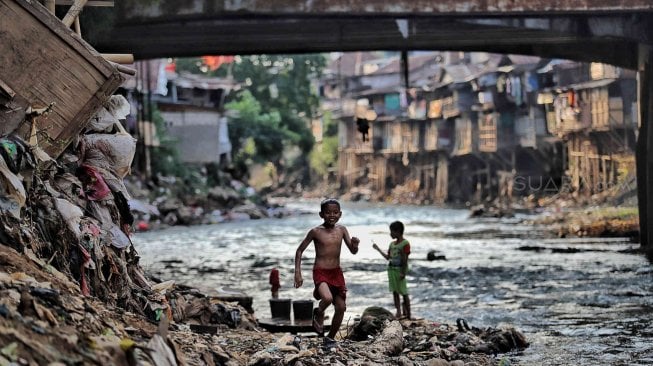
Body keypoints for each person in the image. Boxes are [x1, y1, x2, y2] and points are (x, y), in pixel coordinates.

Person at [294, 198, 359, 346]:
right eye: (328, 212)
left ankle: (330, 337)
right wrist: (298, 273)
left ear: (340, 214)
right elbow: (299, 251)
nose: (332, 215)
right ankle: (319, 312)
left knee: (341, 307)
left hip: (336, 273)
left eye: (335, 212)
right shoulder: (315, 232)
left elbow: (353, 251)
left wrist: (355, 245)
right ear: (321, 214)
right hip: (320, 272)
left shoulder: (342, 230)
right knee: (328, 298)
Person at [372, 220, 411, 320]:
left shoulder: (405, 244)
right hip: (391, 270)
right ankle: (398, 312)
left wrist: (403, 272)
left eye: (392, 231)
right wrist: (378, 249)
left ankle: (409, 314)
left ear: (398, 231)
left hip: (399, 271)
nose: (390, 234)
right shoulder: (392, 244)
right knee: (395, 291)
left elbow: (405, 260)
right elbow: (388, 257)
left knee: (404, 292)